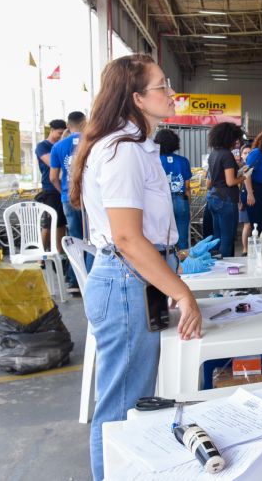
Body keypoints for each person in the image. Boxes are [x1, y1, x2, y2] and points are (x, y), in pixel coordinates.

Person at [67, 54, 206, 480]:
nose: (171, 93)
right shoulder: (121, 151)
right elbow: (127, 238)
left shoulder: (133, 146)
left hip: (137, 280)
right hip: (128, 281)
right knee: (120, 406)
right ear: (137, 98)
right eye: (162, 86)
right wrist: (182, 292)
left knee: (135, 397)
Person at [50, 111, 91, 284]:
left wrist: (64, 193)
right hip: (90, 197)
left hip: (68, 197)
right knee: (91, 239)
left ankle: (74, 281)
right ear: (85, 123)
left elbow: (53, 177)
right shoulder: (92, 142)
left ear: (68, 125)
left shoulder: (58, 147)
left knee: (74, 239)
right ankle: (90, 278)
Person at [206, 122, 248, 257]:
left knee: (217, 236)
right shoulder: (227, 155)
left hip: (213, 197)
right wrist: (244, 176)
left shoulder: (214, 154)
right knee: (227, 238)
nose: (236, 142)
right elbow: (231, 182)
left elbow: (211, 179)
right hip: (226, 199)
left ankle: (217, 266)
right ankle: (227, 267)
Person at [154, 129, 192, 250]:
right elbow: (187, 187)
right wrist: (188, 204)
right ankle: (184, 266)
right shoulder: (183, 161)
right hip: (181, 200)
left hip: (161, 202)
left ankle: (165, 264)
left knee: (163, 238)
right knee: (182, 240)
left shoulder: (155, 160)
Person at [35, 119, 68, 253]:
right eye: (59, 133)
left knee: (61, 223)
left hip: (63, 188)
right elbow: (53, 163)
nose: (61, 136)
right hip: (50, 189)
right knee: (48, 224)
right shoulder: (42, 146)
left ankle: (59, 252)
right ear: (52, 130)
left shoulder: (62, 145)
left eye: (63, 134)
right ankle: (41, 255)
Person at [242, 131, 262, 237]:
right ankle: (254, 249)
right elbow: (246, 172)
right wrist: (250, 193)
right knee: (256, 225)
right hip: (253, 189)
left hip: (261, 190)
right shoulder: (256, 153)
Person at [239, 145, 253, 255]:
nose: (247, 155)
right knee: (247, 225)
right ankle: (245, 249)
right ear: (241, 155)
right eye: (245, 153)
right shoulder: (243, 168)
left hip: (253, 197)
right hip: (244, 198)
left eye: (250, 152)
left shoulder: (252, 166)